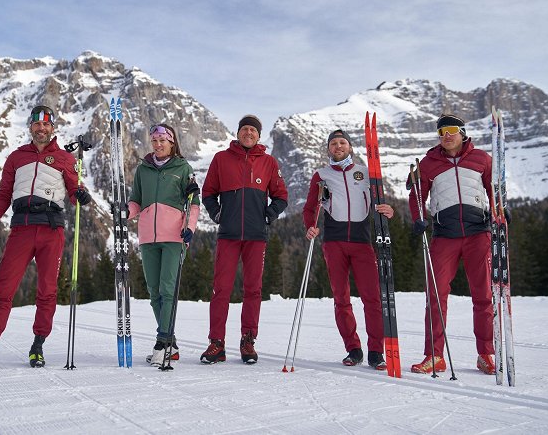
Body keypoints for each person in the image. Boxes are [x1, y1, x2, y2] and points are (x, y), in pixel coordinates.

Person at [0, 105, 91, 369]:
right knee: (3, 289)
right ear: (30, 127)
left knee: (47, 291)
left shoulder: (64, 158)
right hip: (21, 228)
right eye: (36, 124)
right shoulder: (16, 158)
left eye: (46, 124)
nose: (41, 128)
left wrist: (81, 196)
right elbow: (4, 195)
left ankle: (37, 347)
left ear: (53, 128)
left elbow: (74, 193)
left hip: (52, 229)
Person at [408, 114, 496, 375]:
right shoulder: (428, 163)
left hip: (478, 234)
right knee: (435, 296)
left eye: (452, 130)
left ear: (463, 132)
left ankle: (486, 354)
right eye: (442, 131)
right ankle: (434, 356)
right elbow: (417, 196)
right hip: (444, 236)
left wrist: (501, 210)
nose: (447, 135)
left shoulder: (482, 159)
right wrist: (418, 219)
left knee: (483, 296)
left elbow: (495, 189)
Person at [200, 114, 288, 364]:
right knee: (221, 290)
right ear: (238, 133)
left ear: (259, 135)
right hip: (228, 235)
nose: (248, 133)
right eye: (244, 129)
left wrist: (268, 216)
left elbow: (281, 197)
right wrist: (217, 213)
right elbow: (208, 193)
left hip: (256, 236)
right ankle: (216, 344)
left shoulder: (269, 162)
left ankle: (248, 341)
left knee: (253, 290)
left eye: (253, 130)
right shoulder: (221, 159)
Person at [302, 129, 393, 370]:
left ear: (349, 147)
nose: (338, 146)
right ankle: (353, 349)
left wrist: (387, 210)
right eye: (333, 143)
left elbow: (379, 202)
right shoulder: (321, 175)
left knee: (372, 298)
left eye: (342, 142)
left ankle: (376, 351)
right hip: (334, 243)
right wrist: (310, 227)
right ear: (328, 149)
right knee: (341, 299)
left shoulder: (364, 172)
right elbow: (310, 208)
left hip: (362, 242)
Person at [127, 124, 201, 367]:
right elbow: (136, 202)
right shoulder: (143, 170)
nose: (158, 144)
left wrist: (189, 227)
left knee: (168, 290)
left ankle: (162, 342)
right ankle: (171, 343)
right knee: (154, 292)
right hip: (148, 237)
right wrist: (124, 212)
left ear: (172, 142)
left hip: (174, 237)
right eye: (154, 140)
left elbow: (193, 204)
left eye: (162, 140)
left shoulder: (183, 168)